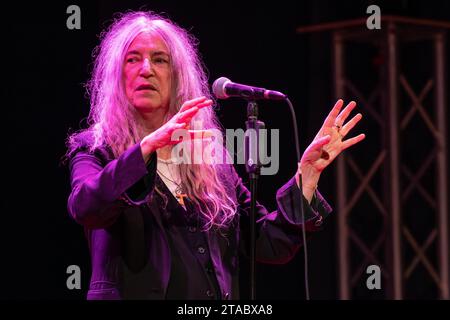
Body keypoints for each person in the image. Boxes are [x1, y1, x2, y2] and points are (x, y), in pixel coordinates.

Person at [66, 11, 365, 300]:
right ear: (118, 75)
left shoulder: (210, 160)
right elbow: (86, 207)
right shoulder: (95, 148)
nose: (146, 68)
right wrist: (147, 148)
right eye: (133, 59)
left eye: (159, 59)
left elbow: (266, 242)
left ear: (177, 76)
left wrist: (307, 176)